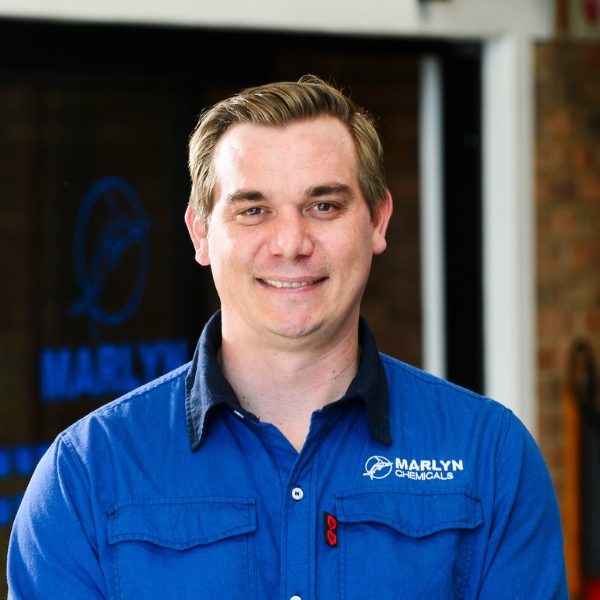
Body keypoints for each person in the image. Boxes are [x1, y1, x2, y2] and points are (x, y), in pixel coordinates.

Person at [7, 75, 567, 599]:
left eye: (323, 206)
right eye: (254, 210)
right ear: (200, 234)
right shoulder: (85, 478)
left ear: (377, 220)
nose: (291, 243)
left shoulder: (492, 458)